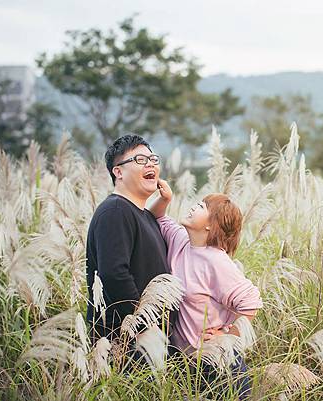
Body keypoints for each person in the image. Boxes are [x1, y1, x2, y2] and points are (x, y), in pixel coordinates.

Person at [148, 179, 262, 400]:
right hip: (187, 365)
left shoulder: (216, 261)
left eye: (202, 207)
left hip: (220, 368)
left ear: (212, 225)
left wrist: (228, 334)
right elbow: (156, 217)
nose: (194, 206)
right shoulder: (180, 240)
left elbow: (252, 302)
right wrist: (165, 199)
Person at [85, 134, 172, 343]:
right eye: (140, 160)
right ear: (118, 172)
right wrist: (143, 325)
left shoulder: (142, 214)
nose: (150, 164)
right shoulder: (115, 211)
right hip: (127, 342)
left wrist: (164, 200)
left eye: (153, 159)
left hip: (149, 342)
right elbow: (114, 274)